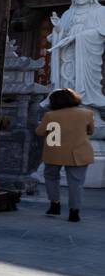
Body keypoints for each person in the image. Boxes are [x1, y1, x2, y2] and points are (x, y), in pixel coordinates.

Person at [36, 87, 95, 222]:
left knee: (51, 177)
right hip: (78, 152)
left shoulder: (50, 115)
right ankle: (74, 211)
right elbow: (91, 131)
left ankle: (54, 204)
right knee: (76, 183)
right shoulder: (87, 113)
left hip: (54, 150)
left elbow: (39, 132)